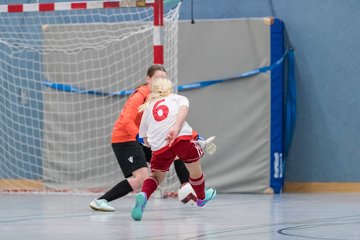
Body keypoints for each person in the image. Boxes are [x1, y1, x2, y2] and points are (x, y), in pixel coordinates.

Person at [89, 65, 216, 212]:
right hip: (126, 139)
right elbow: (126, 121)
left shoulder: (161, 99)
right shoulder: (141, 95)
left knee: (176, 152)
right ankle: (101, 200)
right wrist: (140, 139)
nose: (160, 81)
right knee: (142, 178)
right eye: (157, 78)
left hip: (143, 138)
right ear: (148, 79)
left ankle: (186, 186)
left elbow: (176, 126)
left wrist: (198, 137)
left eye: (164, 78)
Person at [131, 77, 216, 221]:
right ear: (169, 89)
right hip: (180, 139)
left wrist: (155, 144)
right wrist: (176, 127)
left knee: (157, 176)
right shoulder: (177, 98)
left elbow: (144, 138)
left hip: (159, 147)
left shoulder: (148, 107)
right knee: (194, 169)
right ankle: (201, 198)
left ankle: (144, 195)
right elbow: (184, 110)